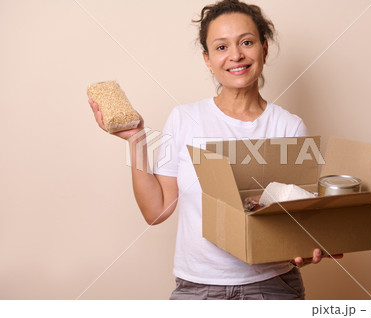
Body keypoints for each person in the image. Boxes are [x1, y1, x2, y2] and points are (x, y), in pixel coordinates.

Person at [89, 0, 342, 300]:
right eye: (221, 47)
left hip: (272, 287)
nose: (236, 55)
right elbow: (156, 212)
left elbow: (299, 220)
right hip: (197, 289)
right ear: (208, 60)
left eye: (246, 42)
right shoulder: (184, 119)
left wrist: (309, 245)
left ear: (264, 48)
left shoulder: (289, 126)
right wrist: (137, 141)